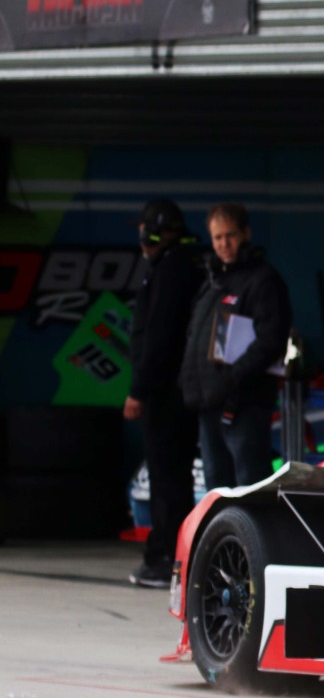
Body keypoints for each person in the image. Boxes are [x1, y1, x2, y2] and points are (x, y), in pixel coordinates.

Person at [180, 203, 291, 489]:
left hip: (244, 403)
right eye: (217, 238)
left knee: (250, 486)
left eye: (230, 235)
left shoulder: (263, 280)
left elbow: (271, 342)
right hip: (209, 403)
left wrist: (229, 380)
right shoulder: (214, 280)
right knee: (217, 488)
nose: (224, 244)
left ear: (246, 234)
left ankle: (258, 537)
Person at [124, 199, 205, 587]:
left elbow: (159, 337)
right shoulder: (179, 264)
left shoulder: (172, 268)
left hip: (166, 394)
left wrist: (139, 390)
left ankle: (166, 562)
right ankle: (173, 559)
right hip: (174, 391)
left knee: (168, 479)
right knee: (172, 478)